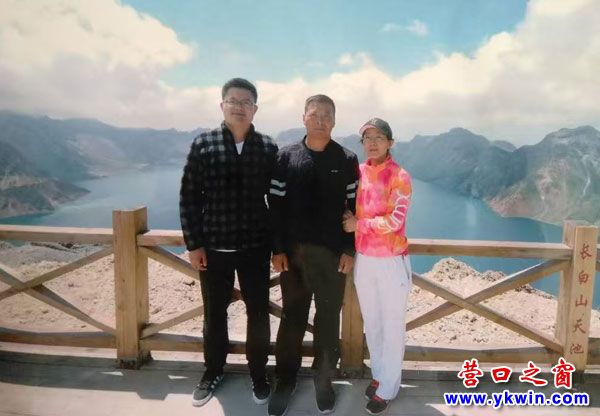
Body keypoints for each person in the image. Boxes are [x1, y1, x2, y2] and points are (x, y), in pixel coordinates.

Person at [179, 78, 278, 407]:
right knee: (214, 313)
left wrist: (278, 246)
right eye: (233, 100)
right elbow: (189, 197)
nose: (239, 107)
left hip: (255, 247)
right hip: (214, 248)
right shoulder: (204, 144)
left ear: (255, 109)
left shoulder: (267, 147)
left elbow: (278, 200)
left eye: (246, 102)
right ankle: (212, 371)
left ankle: (258, 373)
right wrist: (194, 244)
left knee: (258, 312)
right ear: (222, 105)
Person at [267, 94, 359, 416]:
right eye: (314, 114)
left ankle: (324, 381)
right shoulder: (285, 157)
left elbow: (354, 208)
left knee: (328, 320)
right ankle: (285, 380)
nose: (320, 120)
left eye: (326, 115)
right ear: (303, 118)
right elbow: (275, 207)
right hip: (293, 258)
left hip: (332, 257)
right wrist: (277, 248)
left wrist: (349, 249)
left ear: (334, 121)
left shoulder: (346, 159)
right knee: (292, 318)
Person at [342, 118, 412, 415]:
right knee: (373, 323)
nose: (372, 142)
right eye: (367, 138)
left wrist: (359, 224)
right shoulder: (358, 172)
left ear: (390, 143)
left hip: (391, 261)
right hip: (365, 260)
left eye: (379, 137)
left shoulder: (400, 176)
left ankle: (388, 388)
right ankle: (380, 374)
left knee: (392, 325)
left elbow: (395, 221)